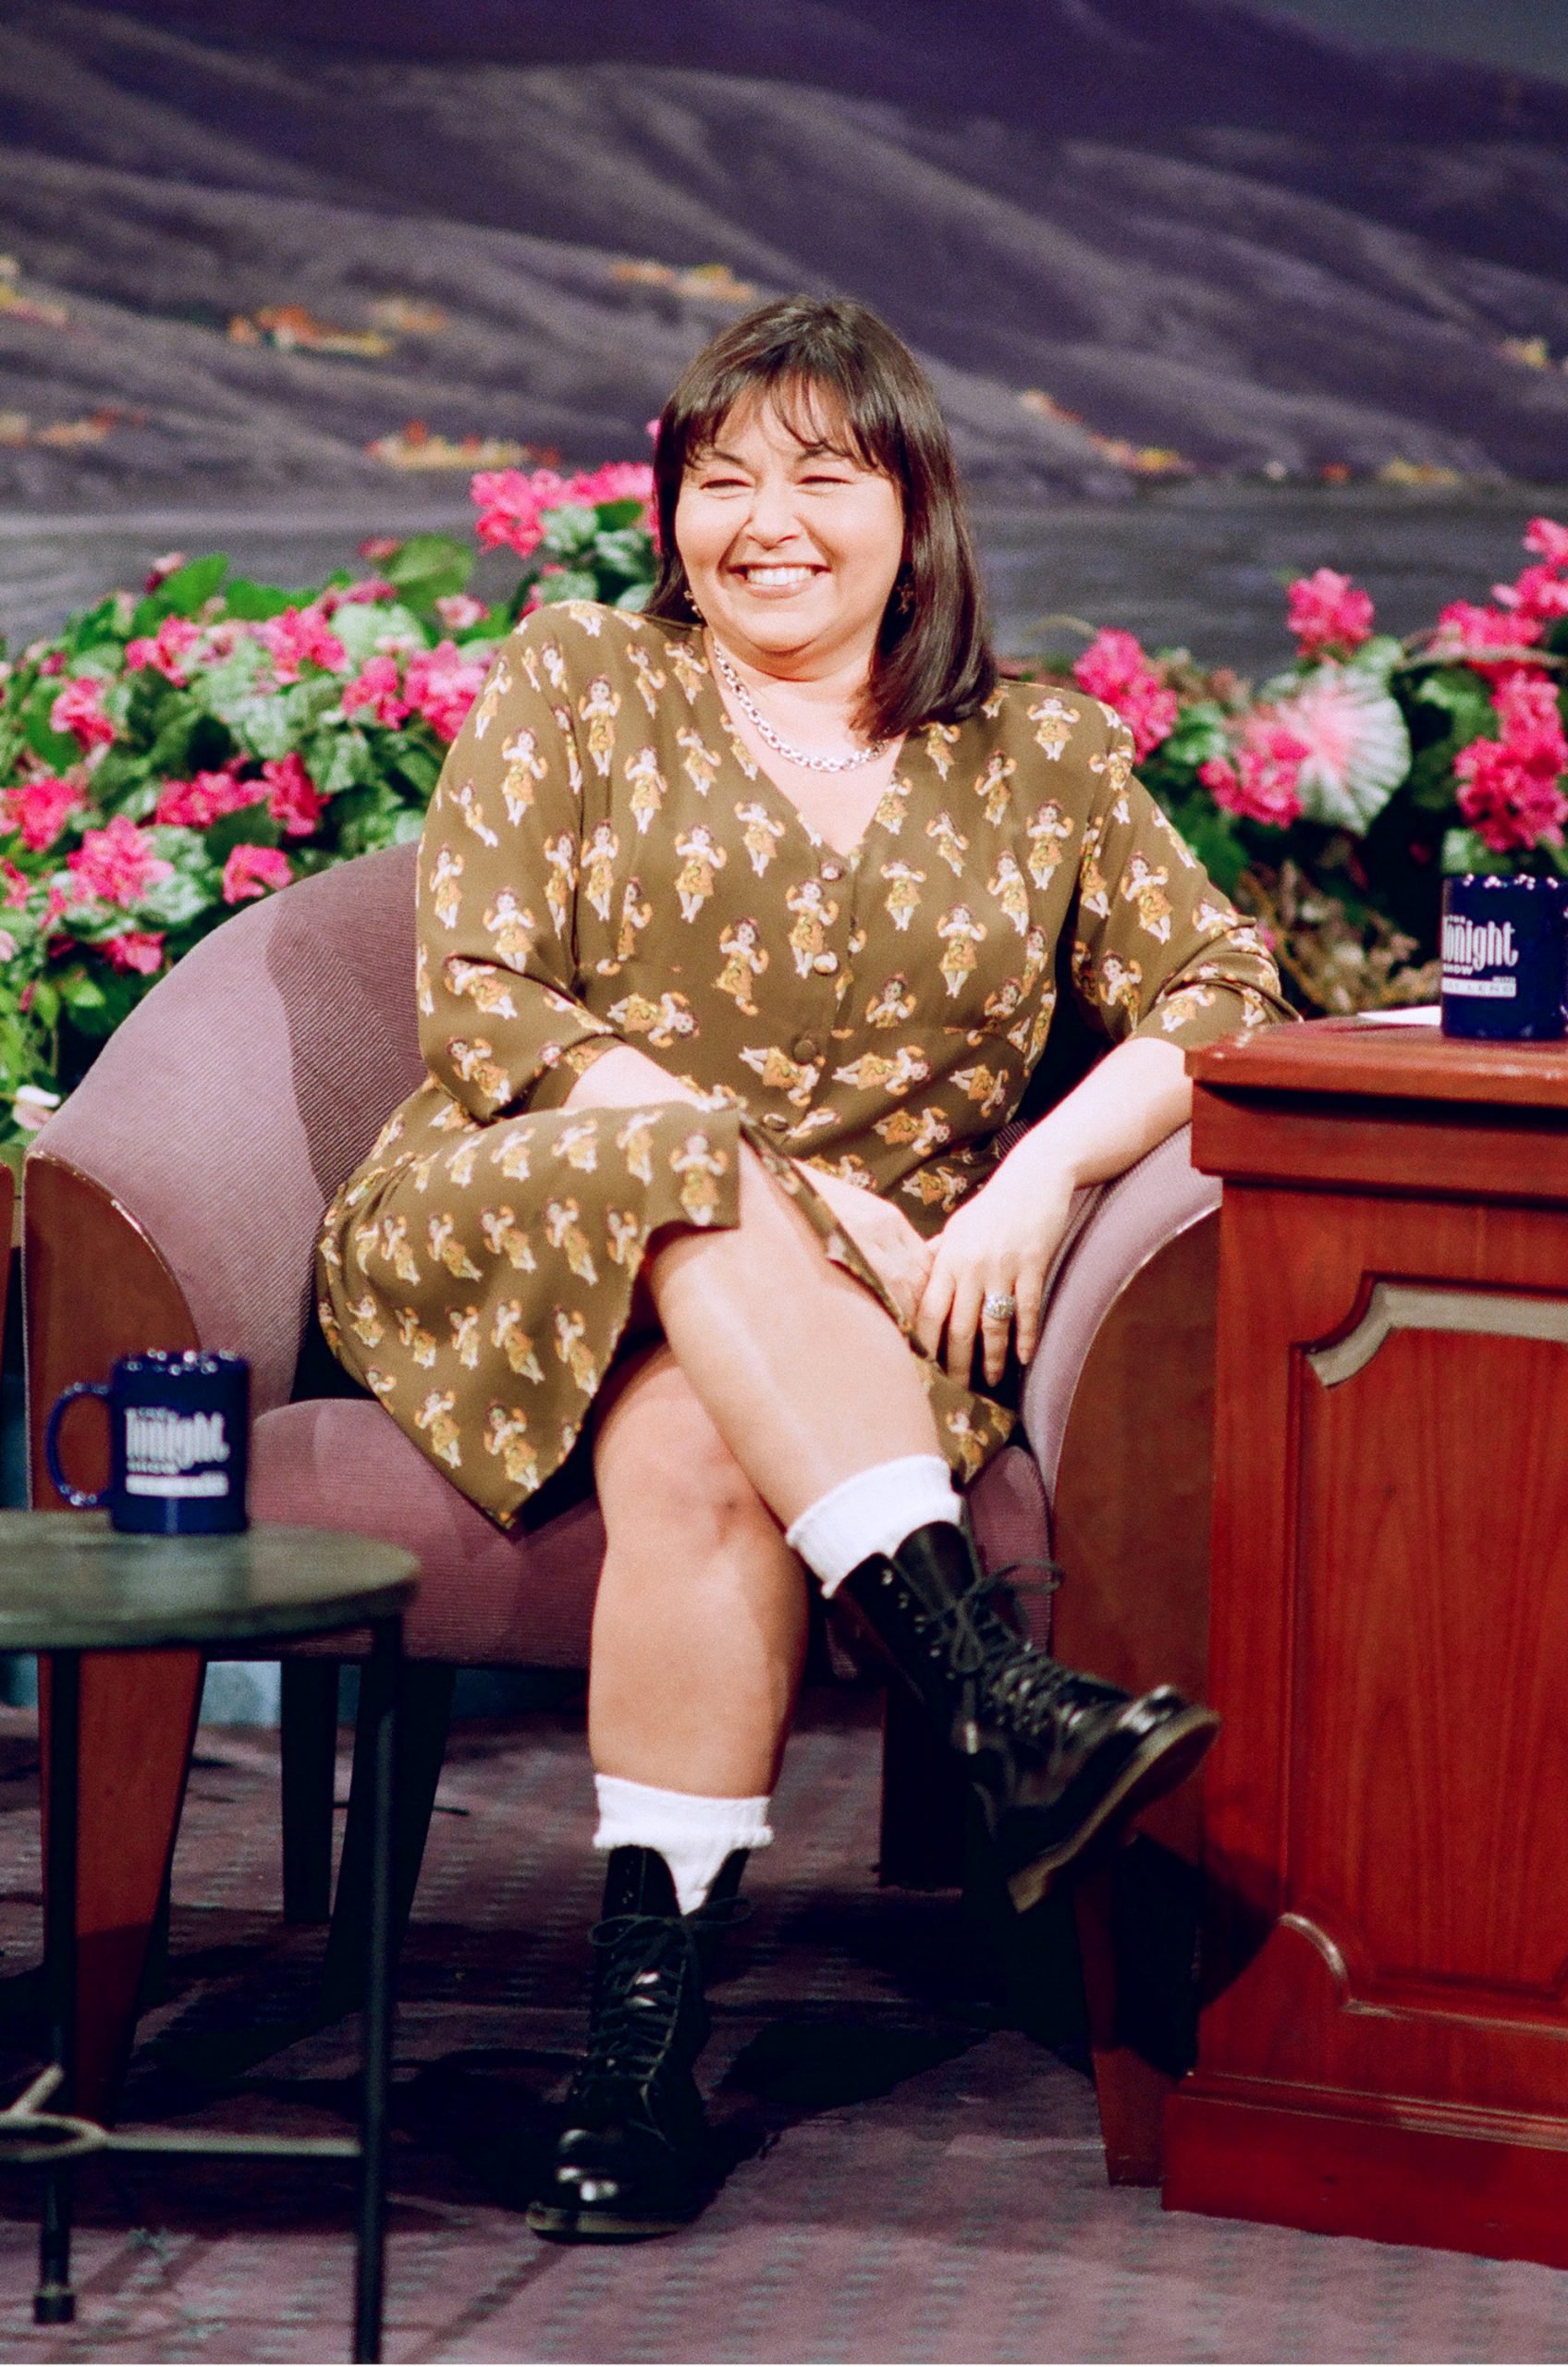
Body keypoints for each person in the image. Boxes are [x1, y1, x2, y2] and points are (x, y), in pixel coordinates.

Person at [316, 294, 1292, 2242]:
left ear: (912, 510)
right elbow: (486, 994)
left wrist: (1035, 1182)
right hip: (523, 1217)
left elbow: (1224, 998)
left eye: (820, 476)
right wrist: (777, 1179)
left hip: (832, 1321)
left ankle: (635, 2057)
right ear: (670, 513)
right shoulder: (580, 673)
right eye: (719, 479)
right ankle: (989, 1691)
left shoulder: (1040, 754)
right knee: (686, 1170)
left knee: (698, 1449)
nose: (763, 520)